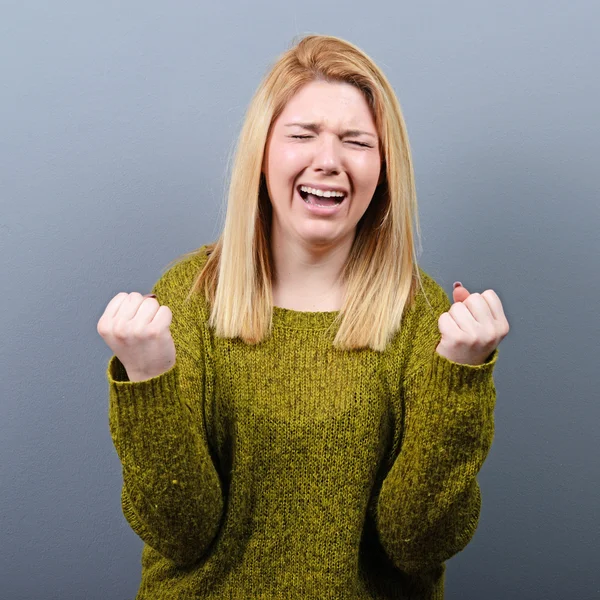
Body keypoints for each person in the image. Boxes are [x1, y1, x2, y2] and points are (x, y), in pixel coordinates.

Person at [97, 34, 509, 599]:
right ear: (263, 152)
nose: (329, 161)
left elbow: (418, 544)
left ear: (384, 169)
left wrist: (459, 380)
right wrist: (149, 380)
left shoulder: (423, 317)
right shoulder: (190, 298)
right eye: (303, 135)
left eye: (356, 142)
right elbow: (180, 532)